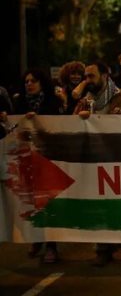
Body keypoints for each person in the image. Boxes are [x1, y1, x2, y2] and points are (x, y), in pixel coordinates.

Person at [74, 61, 121, 266]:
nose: (87, 81)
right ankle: (103, 249)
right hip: (94, 162)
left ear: (105, 76)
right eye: (85, 77)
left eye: (91, 76)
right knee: (100, 206)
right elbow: (72, 127)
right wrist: (79, 118)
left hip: (119, 162)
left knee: (120, 205)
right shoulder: (85, 102)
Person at [12, 68, 64, 263]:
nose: (29, 84)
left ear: (42, 83)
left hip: (49, 158)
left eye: (33, 81)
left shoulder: (53, 102)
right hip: (27, 159)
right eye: (26, 81)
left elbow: (59, 128)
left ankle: (51, 246)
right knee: (32, 203)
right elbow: (14, 129)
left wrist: (39, 122)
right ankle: (36, 239)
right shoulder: (20, 103)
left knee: (48, 203)